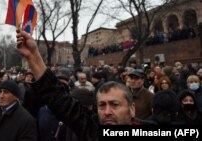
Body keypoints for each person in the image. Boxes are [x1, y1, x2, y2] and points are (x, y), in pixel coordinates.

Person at [16, 30, 152, 141]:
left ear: (132, 109)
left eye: (115, 104)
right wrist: (33, 56)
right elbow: (57, 98)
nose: (107, 112)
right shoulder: (92, 131)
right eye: (102, 105)